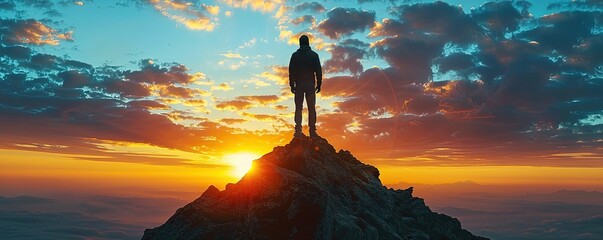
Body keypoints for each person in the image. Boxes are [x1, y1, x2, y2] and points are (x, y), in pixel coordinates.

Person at [288, 35, 322, 137]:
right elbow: (318, 71)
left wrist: (292, 84)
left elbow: (291, 71)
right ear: (308, 43)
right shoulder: (314, 55)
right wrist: (319, 83)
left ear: (300, 43)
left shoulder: (295, 55)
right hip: (310, 85)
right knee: (311, 108)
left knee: (298, 107)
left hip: (299, 85)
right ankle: (312, 131)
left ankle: (298, 130)